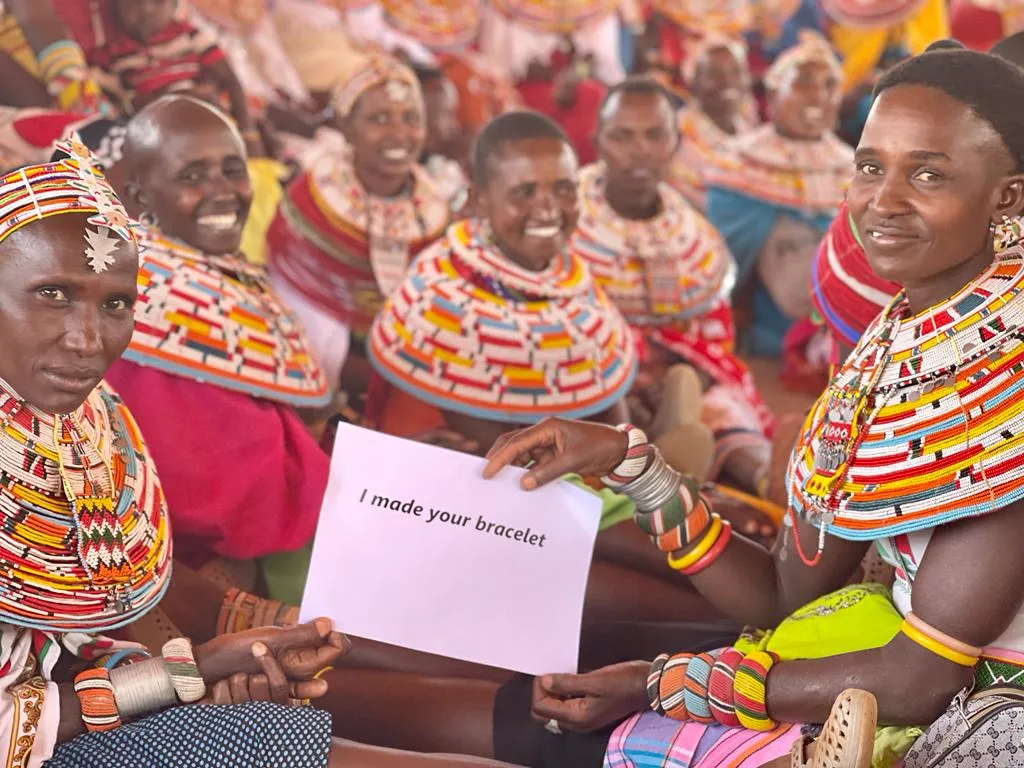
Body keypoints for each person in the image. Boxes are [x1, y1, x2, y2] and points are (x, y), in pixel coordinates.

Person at [482, 42, 1024, 768]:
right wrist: (632, 463)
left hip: (964, 712)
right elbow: (780, 591)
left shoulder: (1003, 378)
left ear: (1007, 197)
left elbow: (920, 679)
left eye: (927, 174)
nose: (882, 201)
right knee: (546, 709)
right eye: (870, 167)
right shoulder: (898, 338)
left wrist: (663, 685)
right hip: (871, 661)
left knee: (567, 732)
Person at [0, 137, 515, 768]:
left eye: (115, 304)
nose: (87, 340)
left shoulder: (80, 419)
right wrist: (187, 675)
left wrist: (197, 673)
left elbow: (82, 631)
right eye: (52, 294)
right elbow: (17, 730)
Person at [573, 78, 774, 507]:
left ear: (675, 141)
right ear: (598, 141)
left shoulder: (692, 234)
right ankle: (664, 457)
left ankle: (764, 477)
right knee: (600, 411)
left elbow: (713, 336)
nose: (640, 149)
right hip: (593, 373)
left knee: (722, 403)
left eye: (654, 135)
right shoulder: (564, 217)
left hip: (674, 375)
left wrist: (693, 378)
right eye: (622, 136)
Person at [266, 53, 450, 391]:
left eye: (411, 118)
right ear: (347, 127)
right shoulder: (310, 202)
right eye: (379, 119)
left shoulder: (437, 211)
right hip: (320, 375)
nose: (399, 133)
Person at [706, 30, 851, 359]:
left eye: (829, 85)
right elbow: (723, 256)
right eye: (803, 83)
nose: (818, 96)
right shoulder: (736, 164)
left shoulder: (855, 165)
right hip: (773, 331)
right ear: (772, 96)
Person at [85, 0, 262, 155]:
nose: (147, 9)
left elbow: (230, 80)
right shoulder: (110, 55)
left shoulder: (190, 35)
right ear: (116, 6)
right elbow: (108, 103)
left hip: (207, 113)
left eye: (159, 1)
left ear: (175, 5)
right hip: (159, 129)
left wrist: (249, 133)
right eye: (134, 0)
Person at [668, 34, 757, 211]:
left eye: (735, 72)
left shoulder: (749, 132)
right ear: (694, 81)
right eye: (714, 74)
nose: (727, 82)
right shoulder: (674, 131)